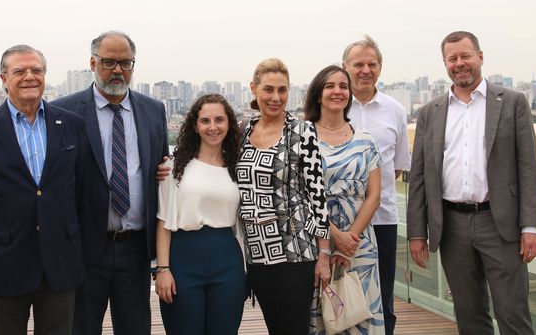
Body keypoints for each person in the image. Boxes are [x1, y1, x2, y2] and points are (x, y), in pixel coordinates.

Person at [407, 31, 536, 335]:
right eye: (452, 58)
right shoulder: (430, 113)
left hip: (501, 224)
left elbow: (529, 168)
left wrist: (532, 226)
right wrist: (417, 232)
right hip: (452, 226)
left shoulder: (512, 103)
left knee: (513, 313)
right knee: (469, 316)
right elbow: (419, 178)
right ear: (445, 64)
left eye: (465, 56)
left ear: (480, 57)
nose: (460, 63)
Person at [0, 44, 89, 335]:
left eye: (37, 70)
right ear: (4, 79)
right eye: (20, 71)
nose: (29, 76)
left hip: (60, 262)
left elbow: (79, 187)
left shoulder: (71, 125)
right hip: (6, 260)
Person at [53, 31, 169, 335]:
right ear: (93, 63)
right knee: (81, 327)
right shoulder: (63, 111)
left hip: (135, 248)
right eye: (108, 62)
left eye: (125, 63)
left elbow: (161, 168)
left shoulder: (154, 111)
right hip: (86, 247)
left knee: (135, 328)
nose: (117, 70)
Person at [236, 57, 331, 335]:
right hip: (256, 250)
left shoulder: (303, 132)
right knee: (274, 328)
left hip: (295, 250)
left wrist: (323, 254)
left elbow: (318, 195)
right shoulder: (243, 131)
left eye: (282, 90)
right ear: (254, 89)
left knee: (293, 329)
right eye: (268, 90)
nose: (275, 98)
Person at [155, 94, 246, 335]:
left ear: (229, 124)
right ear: (195, 126)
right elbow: (163, 221)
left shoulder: (238, 166)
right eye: (205, 121)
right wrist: (162, 270)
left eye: (219, 120)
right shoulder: (172, 168)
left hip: (227, 260)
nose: (213, 127)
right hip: (183, 259)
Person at [305, 65, 384, 335]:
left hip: (359, 244)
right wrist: (334, 235)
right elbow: (301, 196)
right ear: (318, 94)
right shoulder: (302, 139)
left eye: (343, 86)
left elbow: (374, 195)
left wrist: (350, 237)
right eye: (330, 86)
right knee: (324, 315)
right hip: (317, 243)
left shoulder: (366, 141)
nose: (337, 91)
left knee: (361, 312)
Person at [341, 35, 410, 335]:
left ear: (380, 67)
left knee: (383, 298)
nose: (365, 70)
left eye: (372, 64)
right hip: (340, 222)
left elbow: (395, 167)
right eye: (358, 64)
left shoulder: (395, 110)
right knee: (339, 294)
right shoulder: (333, 106)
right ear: (345, 67)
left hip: (382, 218)